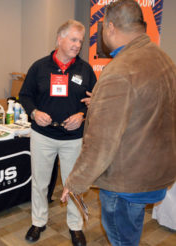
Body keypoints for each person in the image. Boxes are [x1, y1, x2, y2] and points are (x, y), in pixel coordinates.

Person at [61, 1, 176, 246]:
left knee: (123, 239)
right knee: (131, 232)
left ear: (110, 27)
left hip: (126, 180)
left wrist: (76, 181)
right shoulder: (164, 59)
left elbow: (102, 140)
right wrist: (103, 102)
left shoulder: (120, 70)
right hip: (155, 173)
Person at [19, 19, 96, 246]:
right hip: (43, 135)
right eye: (73, 39)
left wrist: (82, 114)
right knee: (40, 183)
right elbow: (25, 96)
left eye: (80, 41)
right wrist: (34, 112)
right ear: (59, 39)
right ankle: (38, 221)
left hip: (73, 138)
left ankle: (75, 226)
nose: (77, 45)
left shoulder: (85, 69)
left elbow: (93, 100)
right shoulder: (39, 67)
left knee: (73, 184)